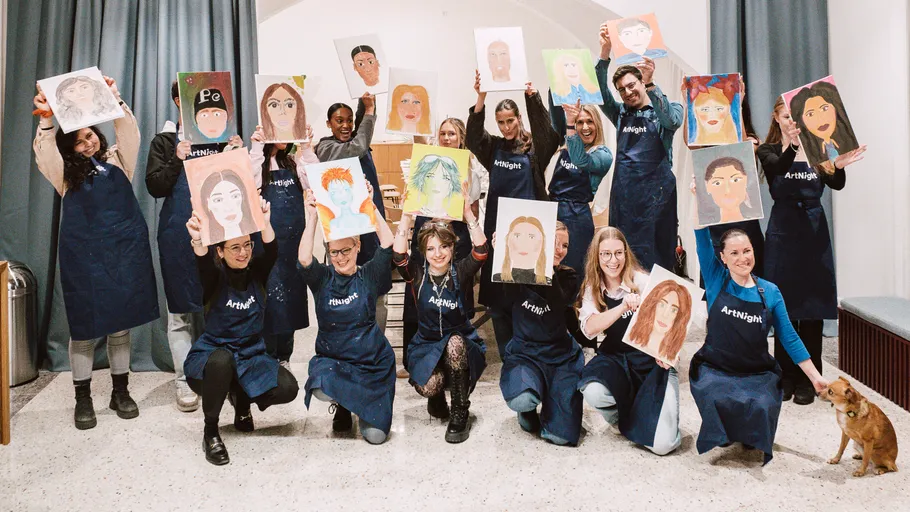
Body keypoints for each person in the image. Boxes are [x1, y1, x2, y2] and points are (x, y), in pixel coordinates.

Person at [33, 78, 156, 430]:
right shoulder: (64, 177)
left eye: (90, 136)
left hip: (123, 255)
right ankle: (82, 398)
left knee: (120, 326)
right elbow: (45, 153)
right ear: (69, 149)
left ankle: (120, 391)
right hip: (84, 260)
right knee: (84, 330)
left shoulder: (119, 161)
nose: (87, 143)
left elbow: (128, 131)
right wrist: (45, 118)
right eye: (78, 141)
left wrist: (112, 99)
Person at [690, 219, 829, 464]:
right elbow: (700, 234)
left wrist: (815, 377)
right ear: (722, 257)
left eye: (747, 251)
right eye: (734, 253)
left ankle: (744, 428)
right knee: (717, 399)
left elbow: (789, 337)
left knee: (762, 405)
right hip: (716, 367)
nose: (742, 258)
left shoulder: (771, 292)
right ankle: (726, 429)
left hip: (755, 370)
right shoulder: (715, 279)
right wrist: (696, 196)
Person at [757, 97, 865, 405]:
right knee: (783, 305)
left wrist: (838, 165)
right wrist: (792, 145)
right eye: (786, 115)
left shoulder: (820, 149)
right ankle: (785, 374)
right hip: (783, 230)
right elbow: (778, 169)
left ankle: (810, 376)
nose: (792, 121)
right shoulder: (768, 151)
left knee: (813, 305)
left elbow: (837, 184)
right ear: (776, 118)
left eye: (796, 116)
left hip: (814, 230)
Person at [146, 80, 243, 412]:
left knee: (222, 306)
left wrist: (237, 154)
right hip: (177, 234)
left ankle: (223, 375)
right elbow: (155, 186)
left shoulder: (219, 139)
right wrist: (176, 158)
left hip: (220, 234)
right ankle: (184, 378)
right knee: (180, 314)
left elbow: (235, 184)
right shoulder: (164, 141)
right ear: (178, 101)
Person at [183, 200, 299, 466]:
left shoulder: (256, 272)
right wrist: (199, 240)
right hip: (212, 356)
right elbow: (203, 263)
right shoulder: (214, 276)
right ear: (220, 252)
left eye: (247, 245)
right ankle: (210, 432)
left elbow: (271, 251)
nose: (243, 252)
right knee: (223, 361)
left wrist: (265, 221)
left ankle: (241, 402)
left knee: (288, 388)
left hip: (250, 354)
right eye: (235, 247)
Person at [466, 74, 560, 359]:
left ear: (519, 118)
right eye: (501, 122)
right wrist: (480, 97)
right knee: (499, 299)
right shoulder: (493, 147)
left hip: (530, 233)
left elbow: (549, 134)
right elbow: (472, 137)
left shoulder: (535, 150)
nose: (507, 127)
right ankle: (509, 355)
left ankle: (530, 352)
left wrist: (532, 97)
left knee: (529, 294)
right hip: (499, 232)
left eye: (511, 120)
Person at [298, 184, 396, 445]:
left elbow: (388, 243)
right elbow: (305, 258)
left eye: (346, 250)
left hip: (372, 364)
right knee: (320, 385)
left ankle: (363, 406)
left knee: (375, 437)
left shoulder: (369, 275)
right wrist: (311, 217)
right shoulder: (323, 279)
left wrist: (370, 206)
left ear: (357, 246)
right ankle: (342, 404)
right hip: (337, 361)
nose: (340, 258)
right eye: (334, 252)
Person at [392, 183, 488, 442]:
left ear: (452, 248)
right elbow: (399, 254)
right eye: (432, 248)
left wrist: (468, 214)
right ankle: (437, 399)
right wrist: (407, 213)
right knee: (429, 385)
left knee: (455, 343)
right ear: (424, 251)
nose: (438, 254)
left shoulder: (460, 271)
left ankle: (460, 412)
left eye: (444, 247)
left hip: (460, 341)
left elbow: (480, 252)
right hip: (426, 343)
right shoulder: (418, 274)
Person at [576, 227, 681, 455]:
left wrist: (669, 352)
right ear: (597, 256)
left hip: (650, 361)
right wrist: (623, 306)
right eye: (605, 254)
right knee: (593, 391)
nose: (613, 261)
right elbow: (589, 329)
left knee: (664, 446)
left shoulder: (643, 281)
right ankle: (620, 417)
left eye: (618, 253)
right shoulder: (592, 288)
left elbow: (675, 321)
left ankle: (645, 412)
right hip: (615, 358)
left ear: (626, 253)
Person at [400, 118, 488, 379]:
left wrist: (454, 215)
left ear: (461, 137)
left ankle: (455, 362)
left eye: (452, 133)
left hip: (454, 233)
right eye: (443, 133)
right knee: (418, 293)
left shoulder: (469, 166)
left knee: (453, 295)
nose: (447, 137)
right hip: (425, 231)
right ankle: (415, 360)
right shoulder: (428, 158)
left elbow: (472, 208)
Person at [596, 23, 683, 271]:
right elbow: (600, 92)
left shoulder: (670, 107)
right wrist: (604, 54)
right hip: (625, 198)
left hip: (658, 198)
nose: (627, 92)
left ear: (642, 82)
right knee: (624, 257)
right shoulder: (620, 113)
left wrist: (653, 85)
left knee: (659, 255)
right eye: (621, 89)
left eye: (631, 85)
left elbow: (671, 121)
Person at [499, 221, 584, 446]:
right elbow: (503, 299)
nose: (560, 249)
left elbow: (557, 304)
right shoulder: (520, 271)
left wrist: (545, 265)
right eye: (554, 242)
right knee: (523, 399)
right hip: (525, 353)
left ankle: (551, 397)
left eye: (564, 245)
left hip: (560, 356)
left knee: (561, 436)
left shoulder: (569, 276)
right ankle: (528, 406)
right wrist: (503, 254)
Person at [316, 95, 390, 328]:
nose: (346, 125)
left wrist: (364, 99)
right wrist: (368, 111)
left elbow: (359, 137)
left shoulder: (356, 141)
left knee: (377, 285)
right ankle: (351, 336)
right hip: (346, 232)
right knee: (350, 288)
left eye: (349, 120)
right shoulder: (326, 147)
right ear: (329, 123)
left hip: (370, 224)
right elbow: (358, 146)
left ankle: (375, 337)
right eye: (339, 121)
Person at [249, 123, 318, 368]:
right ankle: (268, 356)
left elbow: (314, 183)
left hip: (293, 244)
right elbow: (249, 180)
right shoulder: (258, 162)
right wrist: (256, 146)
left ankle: (285, 357)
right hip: (267, 244)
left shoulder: (293, 162)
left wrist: (306, 148)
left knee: (291, 299)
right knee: (269, 300)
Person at [547, 97, 613, 273]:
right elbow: (554, 105)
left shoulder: (603, 155)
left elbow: (580, 160)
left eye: (589, 121)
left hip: (577, 219)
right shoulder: (565, 143)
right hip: (553, 213)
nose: (585, 127)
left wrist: (570, 127)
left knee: (573, 271)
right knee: (548, 269)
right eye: (579, 122)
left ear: (597, 124)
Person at [706, 96, 764, 278]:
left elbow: (743, 152)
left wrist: (736, 105)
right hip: (717, 220)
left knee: (750, 273)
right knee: (718, 277)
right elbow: (691, 144)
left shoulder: (752, 140)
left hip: (745, 218)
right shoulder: (709, 142)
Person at [787, 81, 859, 172]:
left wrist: (839, 167)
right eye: (810, 114)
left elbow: (837, 184)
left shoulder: (848, 142)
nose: (820, 119)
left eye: (824, 108)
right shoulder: (808, 152)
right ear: (801, 121)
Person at [492, 215, 551, 285]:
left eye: (531, 237)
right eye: (517, 236)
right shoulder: (496, 278)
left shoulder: (547, 282)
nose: (524, 243)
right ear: (507, 241)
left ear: (542, 243)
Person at [685, 74, 741, 146]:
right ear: (695, 112)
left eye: (719, 109)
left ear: (728, 110)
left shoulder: (740, 141)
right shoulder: (693, 144)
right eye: (705, 109)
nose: (712, 115)